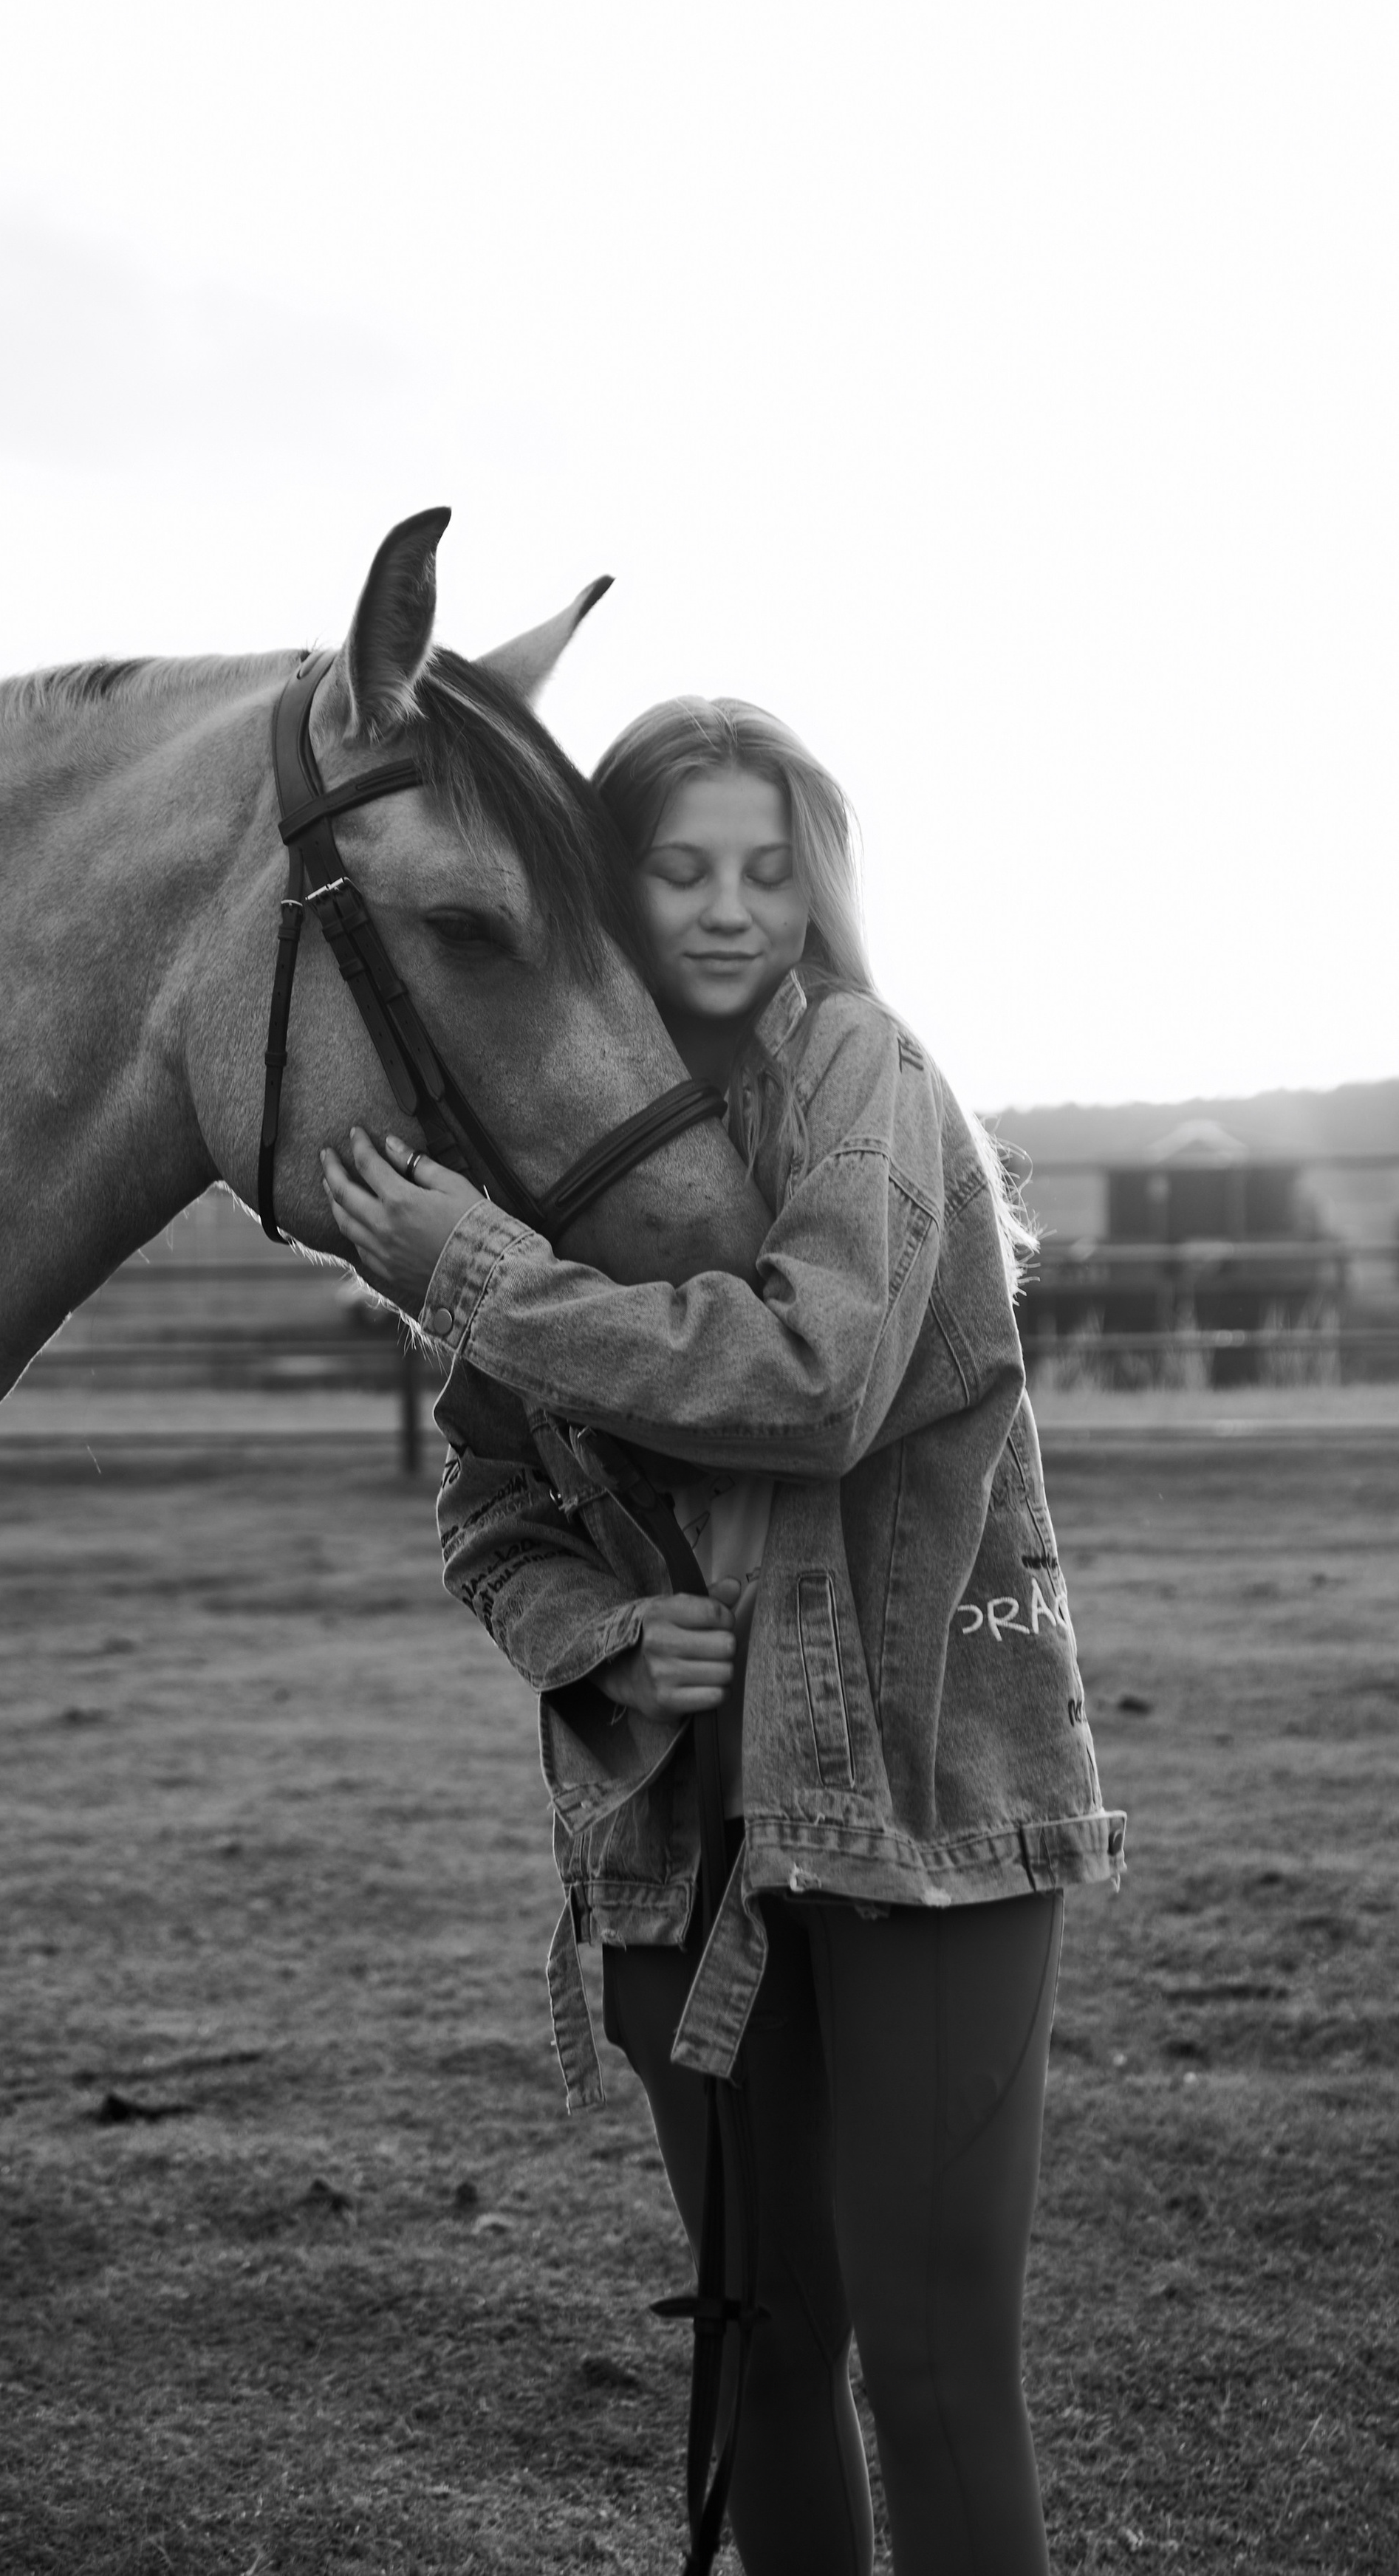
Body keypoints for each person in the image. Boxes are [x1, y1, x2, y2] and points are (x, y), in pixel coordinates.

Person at [320, 697, 1125, 2576]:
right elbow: (489, 1496)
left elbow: (819, 1374)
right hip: (673, 1829)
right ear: (610, 882)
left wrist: (474, 1275)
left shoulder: (859, 1075)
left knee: (931, 2368)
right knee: (759, 2356)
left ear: (818, 885)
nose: (725, 907)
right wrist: (596, 1638)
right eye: (678, 866)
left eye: (768, 868)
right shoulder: (543, 1142)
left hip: (916, 1800)